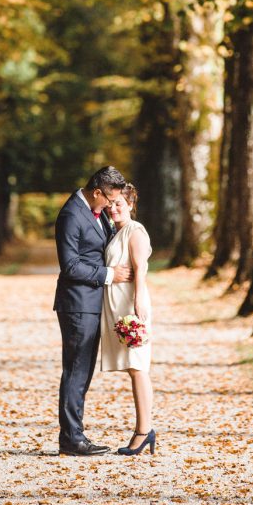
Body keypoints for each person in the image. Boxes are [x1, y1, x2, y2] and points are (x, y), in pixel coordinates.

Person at [53, 166, 132, 456]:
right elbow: (70, 265)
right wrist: (109, 275)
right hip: (77, 304)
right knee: (76, 370)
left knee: (82, 372)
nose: (112, 205)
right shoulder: (72, 214)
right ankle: (71, 438)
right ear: (97, 191)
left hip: (92, 304)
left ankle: (74, 434)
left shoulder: (96, 213)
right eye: (109, 199)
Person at [100, 183, 155, 456]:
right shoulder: (116, 232)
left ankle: (144, 431)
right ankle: (143, 430)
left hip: (131, 306)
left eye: (120, 203)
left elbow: (140, 269)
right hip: (117, 303)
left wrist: (139, 301)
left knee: (138, 367)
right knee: (133, 368)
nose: (113, 208)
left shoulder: (135, 232)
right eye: (111, 203)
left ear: (131, 205)